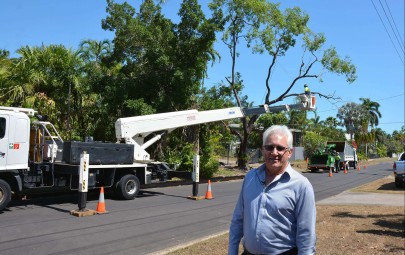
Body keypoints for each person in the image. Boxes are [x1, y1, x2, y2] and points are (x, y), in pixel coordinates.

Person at [228, 125, 316, 255]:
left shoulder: (301, 185)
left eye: (280, 148)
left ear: (290, 152)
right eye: (269, 147)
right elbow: (238, 220)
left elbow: (306, 234)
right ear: (263, 149)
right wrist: (232, 252)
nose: (274, 152)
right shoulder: (250, 178)